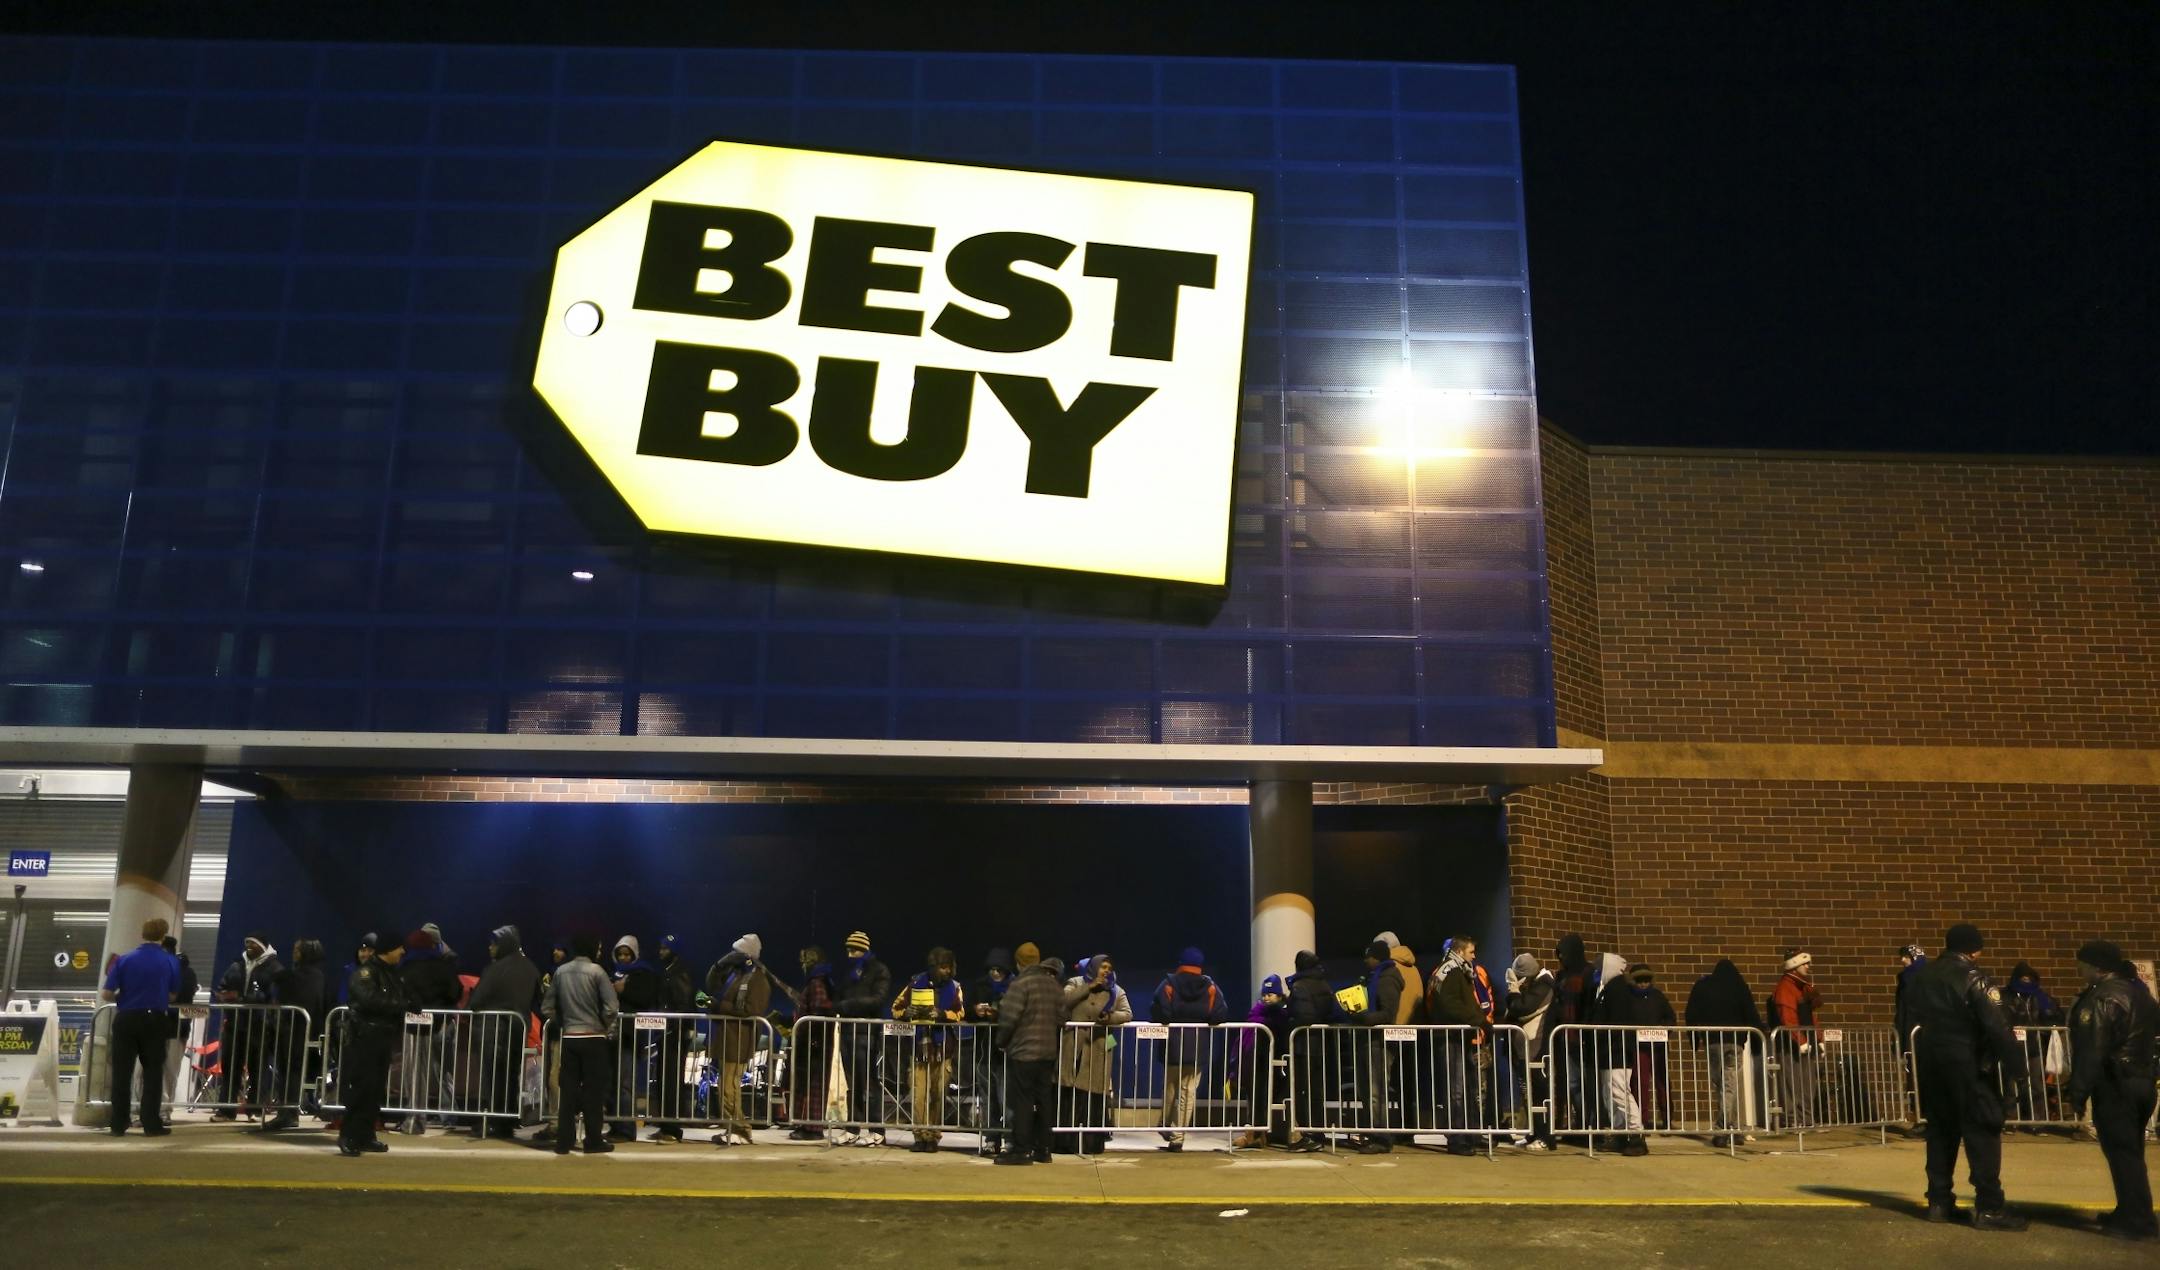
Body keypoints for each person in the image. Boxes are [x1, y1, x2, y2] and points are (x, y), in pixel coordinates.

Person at [1908, 923, 2027, 1231]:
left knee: (1941, 1132)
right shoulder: (1976, 979)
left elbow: (1905, 1019)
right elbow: (1997, 1027)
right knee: (1982, 1132)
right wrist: (2018, 1069)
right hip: (1969, 1064)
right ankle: (1989, 1206)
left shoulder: (1922, 978)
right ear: (1975, 949)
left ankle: (1939, 1201)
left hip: (1933, 1064)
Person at [2066, 939, 2158, 1242]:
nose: (2079, 968)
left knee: (2122, 1153)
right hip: (2142, 1081)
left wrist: (2077, 1091)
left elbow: (2093, 1048)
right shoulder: (2140, 995)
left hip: (2116, 1084)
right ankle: (2131, 1209)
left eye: (2082, 963)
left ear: (2096, 966)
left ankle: (2137, 1219)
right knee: (2131, 1151)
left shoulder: (2103, 998)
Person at [102, 917, 181, 1137]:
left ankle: (118, 1123)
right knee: (153, 1073)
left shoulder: (124, 960)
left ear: (143, 934)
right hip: (155, 1020)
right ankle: (151, 1123)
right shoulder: (170, 962)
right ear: (163, 936)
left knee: (122, 1072)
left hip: (126, 1019)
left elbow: (106, 993)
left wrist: (126, 996)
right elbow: (173, 995)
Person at [542, 933, 619, 1155]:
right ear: (592, 948)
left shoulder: (561, 972)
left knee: (568, 1091)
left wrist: (563, 1021)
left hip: (570, 1038)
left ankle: (564, 1141)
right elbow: (611, 1007)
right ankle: (593, 1140)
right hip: (593, 1038)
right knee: (593, 1092)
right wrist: (604, 1025)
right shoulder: (597, 972)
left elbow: (547, 1007)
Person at [1150, 946, 1229, 1152]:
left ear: (1180, 963)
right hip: (1198, 1047)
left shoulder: (1168, 984)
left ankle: (1165, 1125)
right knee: (1188, 1092)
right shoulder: (1210, 987)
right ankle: (1178, 1136)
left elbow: (1161, 1013)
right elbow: (1220, 1014)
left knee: (1169, 1090)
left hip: (1172, 1046)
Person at [466, 925, 540, 1140]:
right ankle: (507, 1121)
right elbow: (540, 1000)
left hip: (492, 1030)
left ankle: (491, 1120)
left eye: (494, 943)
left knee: (491, 1077)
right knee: (511, 1077)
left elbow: (476, 1001)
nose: (490, 948)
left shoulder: (495, 969)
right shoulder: (531, 967)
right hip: (517, 1030)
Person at [890, 946, 966, 1153]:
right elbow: (895, 1008)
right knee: (918, 1094)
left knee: (938, 1093)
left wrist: (941, 1014)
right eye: (942, 967)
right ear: (933, 967)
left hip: (943, 1050)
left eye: (949, 967)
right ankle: (919, 1135)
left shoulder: (956, 987)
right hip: (919, 1048)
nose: (947, 972)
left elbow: (960, 1013)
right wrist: (907, 1012)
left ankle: (933, 1136)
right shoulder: (915, 983)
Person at [338, 932, 407, 1156]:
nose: (403, 952)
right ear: (389, 950)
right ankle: (348, 1135)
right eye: (399, 948)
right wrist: (399, 1004)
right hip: (364, 1038)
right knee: (361, 1088)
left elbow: (402, 997)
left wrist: (409, 1002)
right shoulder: (366, 973)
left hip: (382, 1037)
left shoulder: (391, 974)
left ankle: (366, 1135)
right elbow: (369, 1000)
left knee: (375, 1090)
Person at [995, 952, 1066, 1165]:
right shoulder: (1054, 985)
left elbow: (1009, 1018)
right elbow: (1063, 1018)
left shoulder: (1020, 984)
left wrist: (1001, 1041)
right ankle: (1044, 1150)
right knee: (1044, 1100)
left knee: (1023, 1102)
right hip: (1048, 1052)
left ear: (1019, 963)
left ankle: (1021, 1150)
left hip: (1024, 1052)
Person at [1057, 953, 1130, 1155]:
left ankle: (1091, 1144)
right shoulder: (1075, 982)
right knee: (1071, 1094)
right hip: (1074, 1045)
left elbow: (1127, 1013)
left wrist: (1111, 1017)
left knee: (1094, 1096)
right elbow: (1063, 1001)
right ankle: (1066, 1143)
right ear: (1093, 967)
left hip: (1099, 1047)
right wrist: (1087, 988)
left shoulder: (1116, 990)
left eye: (1109, 967)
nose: (1106, 970)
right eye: (1103, 966)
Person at [1684, 958, 1764, 1145]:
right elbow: (1750, 1013)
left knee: (1721, 1086)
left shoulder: (1703, 986)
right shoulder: (1739, 986)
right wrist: (1756, 1042)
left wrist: (1694, 1039)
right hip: (1734, 1042)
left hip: (1712, 1042)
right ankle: (1728, 1129)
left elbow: (1691, 1012)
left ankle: (1727, 1129)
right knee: (1730, 1086)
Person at [1427, 936, 1490, 1156]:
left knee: (1465, 1088)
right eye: (1471, 952)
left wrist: (1480, 1021)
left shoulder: (1457, 970)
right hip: (1450, 1037)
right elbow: (1450, 1004)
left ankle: (1468, 1134)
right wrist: (1479, 1020)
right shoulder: (1451, 971)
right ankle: (1458, 1138)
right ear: (1460, 951)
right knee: (1456, 1090)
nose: (1474, 956)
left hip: (1457, 1036)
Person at [708, 934, 772, 1146]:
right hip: (727, 1037)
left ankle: (741, 1129)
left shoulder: (758, 979)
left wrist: (720, 1007)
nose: (733, 957)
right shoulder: (735, 974)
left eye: (737, 953)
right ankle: (731, 1127)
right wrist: (719, 964)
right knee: (724, 1085)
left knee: (729, 1086)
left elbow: (752, 1010)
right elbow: (712, 984)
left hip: (740, 1040)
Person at [260, 939, 330, 1132]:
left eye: (298, 950)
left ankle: (288, 1113)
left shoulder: (309, 976)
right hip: (291, 1029)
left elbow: (303, 1001)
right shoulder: (304, 974)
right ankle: (287, 1112)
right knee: (286, 1071)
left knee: (292, 1071)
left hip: (297, 1030)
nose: (294, 953)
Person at [399, 926, 463, 1131]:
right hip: (441, 1022)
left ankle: (415, 1118)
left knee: (415, 1072)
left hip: (414, 1024)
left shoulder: (406, 966)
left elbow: (402, 994)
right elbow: (456, 991)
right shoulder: (444, 964)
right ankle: (448, 1115)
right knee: (444, 1072)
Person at [213, 932, 281, 1120]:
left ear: (263, 946)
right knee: (230, 1067)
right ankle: (226, 1110)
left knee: (257, 1068)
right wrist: (224, 996)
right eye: (247, 943)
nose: (249, 946)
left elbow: (274, 998)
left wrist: (249, 1000)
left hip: (259, 1026)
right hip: (235, 1024)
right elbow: (221, 988)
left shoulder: (275, 968)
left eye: (253, 943)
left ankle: (255, 1109)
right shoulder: (236, 965)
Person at [835, 931, 894, 1138]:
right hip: (848, 1031)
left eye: (854, 950)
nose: (850, 954)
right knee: (852, 1083)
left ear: (863, 950)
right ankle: (853, 1127)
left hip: (867, 1033)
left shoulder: (879, 970)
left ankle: (877, 1129)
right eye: (849, 950)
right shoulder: (849, 973)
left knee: (868, 1081)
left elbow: (878, 999)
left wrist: (847, 1006)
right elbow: (839, 996)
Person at [1589, 952, 1647, 1155]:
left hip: (1617, 1050)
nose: (1596, 972)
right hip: (1610, 1051)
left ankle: (1636, 1134)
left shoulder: (1618, 990)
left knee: (1620, 1092)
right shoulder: (1609, 990)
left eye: (1599, 968)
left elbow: (1616, 1021)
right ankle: (1621, 1132)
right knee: (1610, 1094)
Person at [1284, 950, 1340, 1152]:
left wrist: (1288, 1017)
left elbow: (1303, 1016)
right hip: (1321, 1045)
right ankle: (1317, 1130)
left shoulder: (1300, 986)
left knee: (1301, 1090)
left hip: (1303, 1046)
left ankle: (1305, 1133)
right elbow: (1332, 1012)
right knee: (1317, 1091)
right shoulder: (1324, 984)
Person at [607, 935, 661, 1139]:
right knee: (612, 1083)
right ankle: (614, 1125)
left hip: (630, 1035)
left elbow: (644, 998)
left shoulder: (643, 973)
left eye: (627, 954)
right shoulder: (612, 973)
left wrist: (623, 990)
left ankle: (626, 1129)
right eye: (619, 954)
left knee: (625, 1084)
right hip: (612, 1034)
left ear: (634, 954)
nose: (623, 957)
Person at [1503, 953, 1556, 1150]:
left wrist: (1514, 992)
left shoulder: (1544, 985)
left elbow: (1521, 1008)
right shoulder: (1535, 985)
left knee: (1540, 1093)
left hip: (1537, 1047)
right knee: (1529, 1094)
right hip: (1526, 1048)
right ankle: (1533, 1132)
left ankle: (1545, 1136)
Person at [649, 934, 698, 1140]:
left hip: (675, 1034)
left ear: (674, 951)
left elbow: (683, 1003)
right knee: (664, 1079)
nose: (661, 952)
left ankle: (672, 1127)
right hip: (668, 1032)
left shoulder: (680, 972)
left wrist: (676, 1027)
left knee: (671, 1080)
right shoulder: (669, 971)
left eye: (665, 949)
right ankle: (666, 1125)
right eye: (660, 948)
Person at [1551, 933, 1601, 1137]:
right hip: (1565, 1035)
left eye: (1563, 953)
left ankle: (1589, 1125)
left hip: (1581, 1035)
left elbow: (1590, 1004)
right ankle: (1580, 1122)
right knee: (1572, 1083)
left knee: (1586, 1082)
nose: (1561, 958)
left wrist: (1585, 1028)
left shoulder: (1589, 973)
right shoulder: (1561, 976)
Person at [2002, 961, 2063, 1123]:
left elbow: (2053, 1015)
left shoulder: (2040, 997)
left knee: (2036, 1085)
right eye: (2023, 978)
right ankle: (2011, 1118)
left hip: (2034, 1047)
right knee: (2011, 1085)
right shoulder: (2006, 996)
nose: (2026, 981)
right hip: (2013, 1047)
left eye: (2029, 978)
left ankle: (2039, 1120)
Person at [787, 945, 838, 1139]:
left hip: (815, 1042)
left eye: (804, 961)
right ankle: (805, 1125)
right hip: (813, 1040)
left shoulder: (817, 983)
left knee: (813, 1085)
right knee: (808, 1084)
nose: (802, 965)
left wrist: (807, 1033)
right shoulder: (819, 981)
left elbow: (820, 1012)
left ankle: (812, 1128)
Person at [968, 949, 1016, 1154]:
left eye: (999, 969)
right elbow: (967, 1011)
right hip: (984, 1049)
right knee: (987, 1098)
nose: (994, 973)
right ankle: (991, 1138)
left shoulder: (1016, 986)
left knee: (1006, 1098)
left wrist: (999, 1012)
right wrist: (976, 1010)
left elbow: (1016, 1013)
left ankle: (1010, 1139)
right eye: (991, 969)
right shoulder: (980, 985)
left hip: (1006, 1050)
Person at [1769, 948, 1822, 1130]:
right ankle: (1792, 1120)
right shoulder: (1786, 988)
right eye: (1805, 963)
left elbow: (1813, 1015)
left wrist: (1819, 1039)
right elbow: (1787, 1017)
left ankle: (1806, 1119)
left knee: (1808, 1084)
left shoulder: (1804, 987)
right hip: (1790, 1045)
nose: (1808, 966)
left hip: (1807, 1041)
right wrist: (1799, 1040)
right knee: (1793, 1084)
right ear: (1794, 966)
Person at [1239, 974, 1290, 1148]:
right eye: (1265, 994)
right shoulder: (1256, 1013)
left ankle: (1264, 1134)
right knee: (1255, 1097)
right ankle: (1255, 1134)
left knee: (1269, 1098)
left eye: (1271, 994)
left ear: (1279, 995)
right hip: (1256, 1061)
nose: (1267, 998)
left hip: (1275, 1062)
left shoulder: (1282, 1014)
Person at [1894, 944, 1929, 1135]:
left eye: (1906, 956)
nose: (1902, 960)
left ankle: (1924, 1120)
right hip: (1910, 1031)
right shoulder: (1908, 978)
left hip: (1918, 1034)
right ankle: (1920, 1118)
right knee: (1914, 1078)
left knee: (1920, 1079)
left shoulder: (1918, 978)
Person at [159, 934, 198, 1106]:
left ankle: (147, 1109)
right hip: (177, 1027)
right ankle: (163, 1109)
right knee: (170, 1071)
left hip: (163, 1025)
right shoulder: (187, 971)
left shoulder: (176, 970)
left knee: (156, 1070)